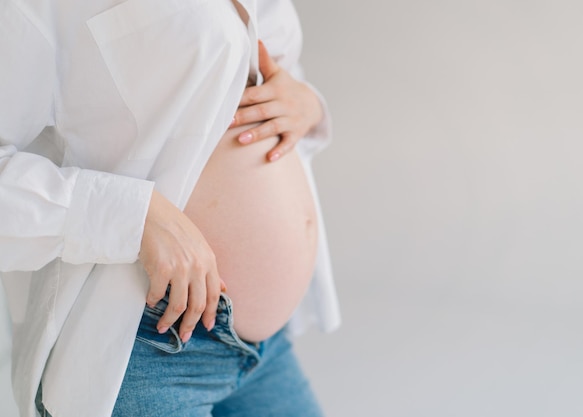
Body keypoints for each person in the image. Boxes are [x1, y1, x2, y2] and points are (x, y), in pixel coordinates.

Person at [0, 0, 340, 416]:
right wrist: (133, 217)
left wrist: (306, 103)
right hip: (144, 349)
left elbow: (245, 74)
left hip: (265, 350)